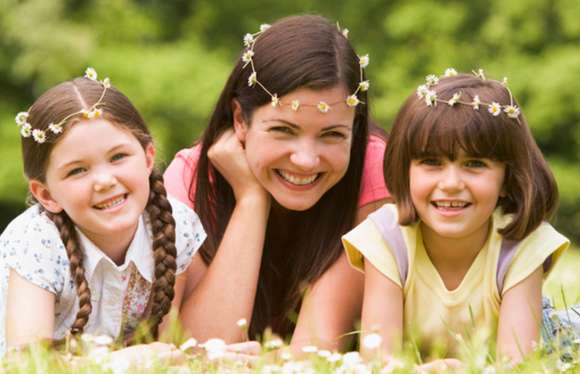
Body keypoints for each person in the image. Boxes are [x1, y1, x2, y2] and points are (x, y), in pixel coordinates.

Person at [164, 15, 390, 350]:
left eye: (331, 134)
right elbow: (202, 351)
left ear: (354, 131)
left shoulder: (373, 172)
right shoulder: (190, 179)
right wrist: (251, 200)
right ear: (241, 119)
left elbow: (313, 352)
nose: (306, 159)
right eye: (283, 130)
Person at [342, 69, 570, 365]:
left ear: (508, 177)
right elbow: (379, 360)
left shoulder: (522, 243)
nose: (450, 183)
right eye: (431, 162)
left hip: (554, 339)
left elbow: (518, 364)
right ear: (406, 169)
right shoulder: (386, 236)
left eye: (474, 163)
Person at [0, 68, 206, 358]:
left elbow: (175, 345)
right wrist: (125, 361)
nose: (105, 181)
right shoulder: (36, 241)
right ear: (46, 195)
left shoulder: (175, 223)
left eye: (118, 157)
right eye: (78, 170)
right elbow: (25, 363)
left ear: (148, 159)